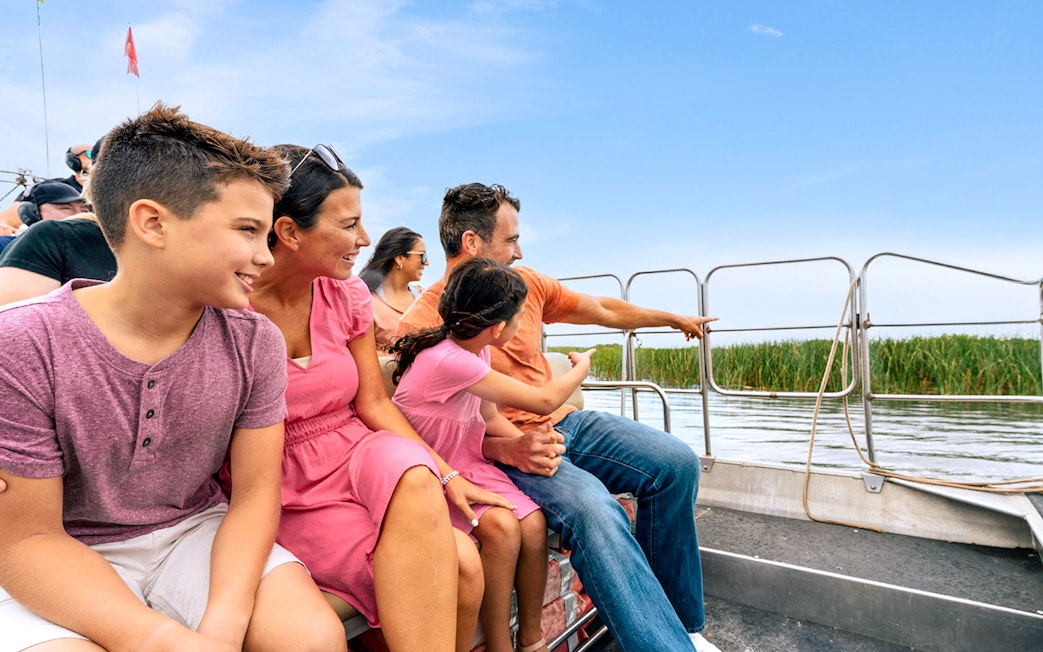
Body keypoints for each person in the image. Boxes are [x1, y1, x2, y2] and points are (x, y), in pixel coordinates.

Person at [0, 105, 345, 651]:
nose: (264, 255)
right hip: (61, 546)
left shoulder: (254, 341)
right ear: (153, 223)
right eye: (248, 231)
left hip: (193, 531)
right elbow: (27, 538)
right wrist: (163, 638)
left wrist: (222, 627)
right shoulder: (22, 344)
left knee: (309, 638)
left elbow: (256, 492)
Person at [397, 182, 722, 652]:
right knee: (594, 510)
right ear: (473, 243)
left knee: (676, 463)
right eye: (510, 240)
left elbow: (604, 308)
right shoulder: (424, 325)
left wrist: (672, 319)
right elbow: (427, 425)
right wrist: (507, 446)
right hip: (500, 450)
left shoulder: (525, 285)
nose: (519, 250)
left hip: (562, 424)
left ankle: (681, 627)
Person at [241, 143, 508, 652]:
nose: (365, 240)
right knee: (461, 562)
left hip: (355, 449)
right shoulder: (229, 305)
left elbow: (374, 404)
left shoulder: (348, 296)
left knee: (426, 492)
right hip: (279, 472)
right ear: (289, 232)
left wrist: (446, 474)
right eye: (349, 225)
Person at [391, 257, 596, 652]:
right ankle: (500, 645)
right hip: (430, 466)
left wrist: (526, 444)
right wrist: (581, 367)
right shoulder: (446, 359)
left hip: (468, 460)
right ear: (500, 326)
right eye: (519, 319)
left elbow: (487, 417)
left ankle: (531, 639)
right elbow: (545, 399)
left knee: (533, 523)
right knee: (503, 529)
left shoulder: (476, 352)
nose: (522, 328)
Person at [0, 142, 117, 305]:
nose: (78, 213)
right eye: (88, 154)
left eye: (83, 208)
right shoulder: (53, 189)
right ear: (72, 160)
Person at [358, 226, 430, 351]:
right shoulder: (367, 303)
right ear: (400, 258)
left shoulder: (425, 297)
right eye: (422, 256)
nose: (427, 262)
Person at [0, 143, 94, 233]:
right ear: (73, 160)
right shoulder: (54, 189)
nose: (97, 157)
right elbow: (12, 216)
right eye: (90, 154)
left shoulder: (107, 195)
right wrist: (3, 225)